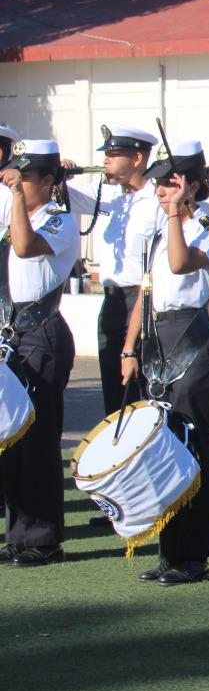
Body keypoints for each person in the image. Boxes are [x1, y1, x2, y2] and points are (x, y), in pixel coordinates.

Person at [120, 139, 209, 586]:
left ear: (193, 184)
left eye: (171, 183)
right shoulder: (163, 228)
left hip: (192, 338)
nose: (162, 191)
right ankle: (170, 550)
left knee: (195, 447)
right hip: (157, 338)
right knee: (163, 450)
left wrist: (173, 213)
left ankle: (194, 555)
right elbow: (146, 293)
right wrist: (129, 349)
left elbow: (182, 263)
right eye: (161, 185)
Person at [0, 139, 80, 566]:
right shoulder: (14, 214)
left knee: (39, 441)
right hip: (13, 335)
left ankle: (43, 538)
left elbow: (25, 247)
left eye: (25, 175)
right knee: (11, 440)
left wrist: (14, 197)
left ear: (48, 180)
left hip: (42, 332)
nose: (17, 181)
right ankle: (19, 534)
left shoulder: (59, 220)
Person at [63, 124, 162, 415]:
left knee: (141, 390)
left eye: (114, 153)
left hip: (142, 300)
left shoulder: (157, 199)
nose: (106, 160)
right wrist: (59, 177)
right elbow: (55, 191)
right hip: (112, 302)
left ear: (137, 159)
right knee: (113, 389)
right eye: (106, 153)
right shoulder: (107, 194)